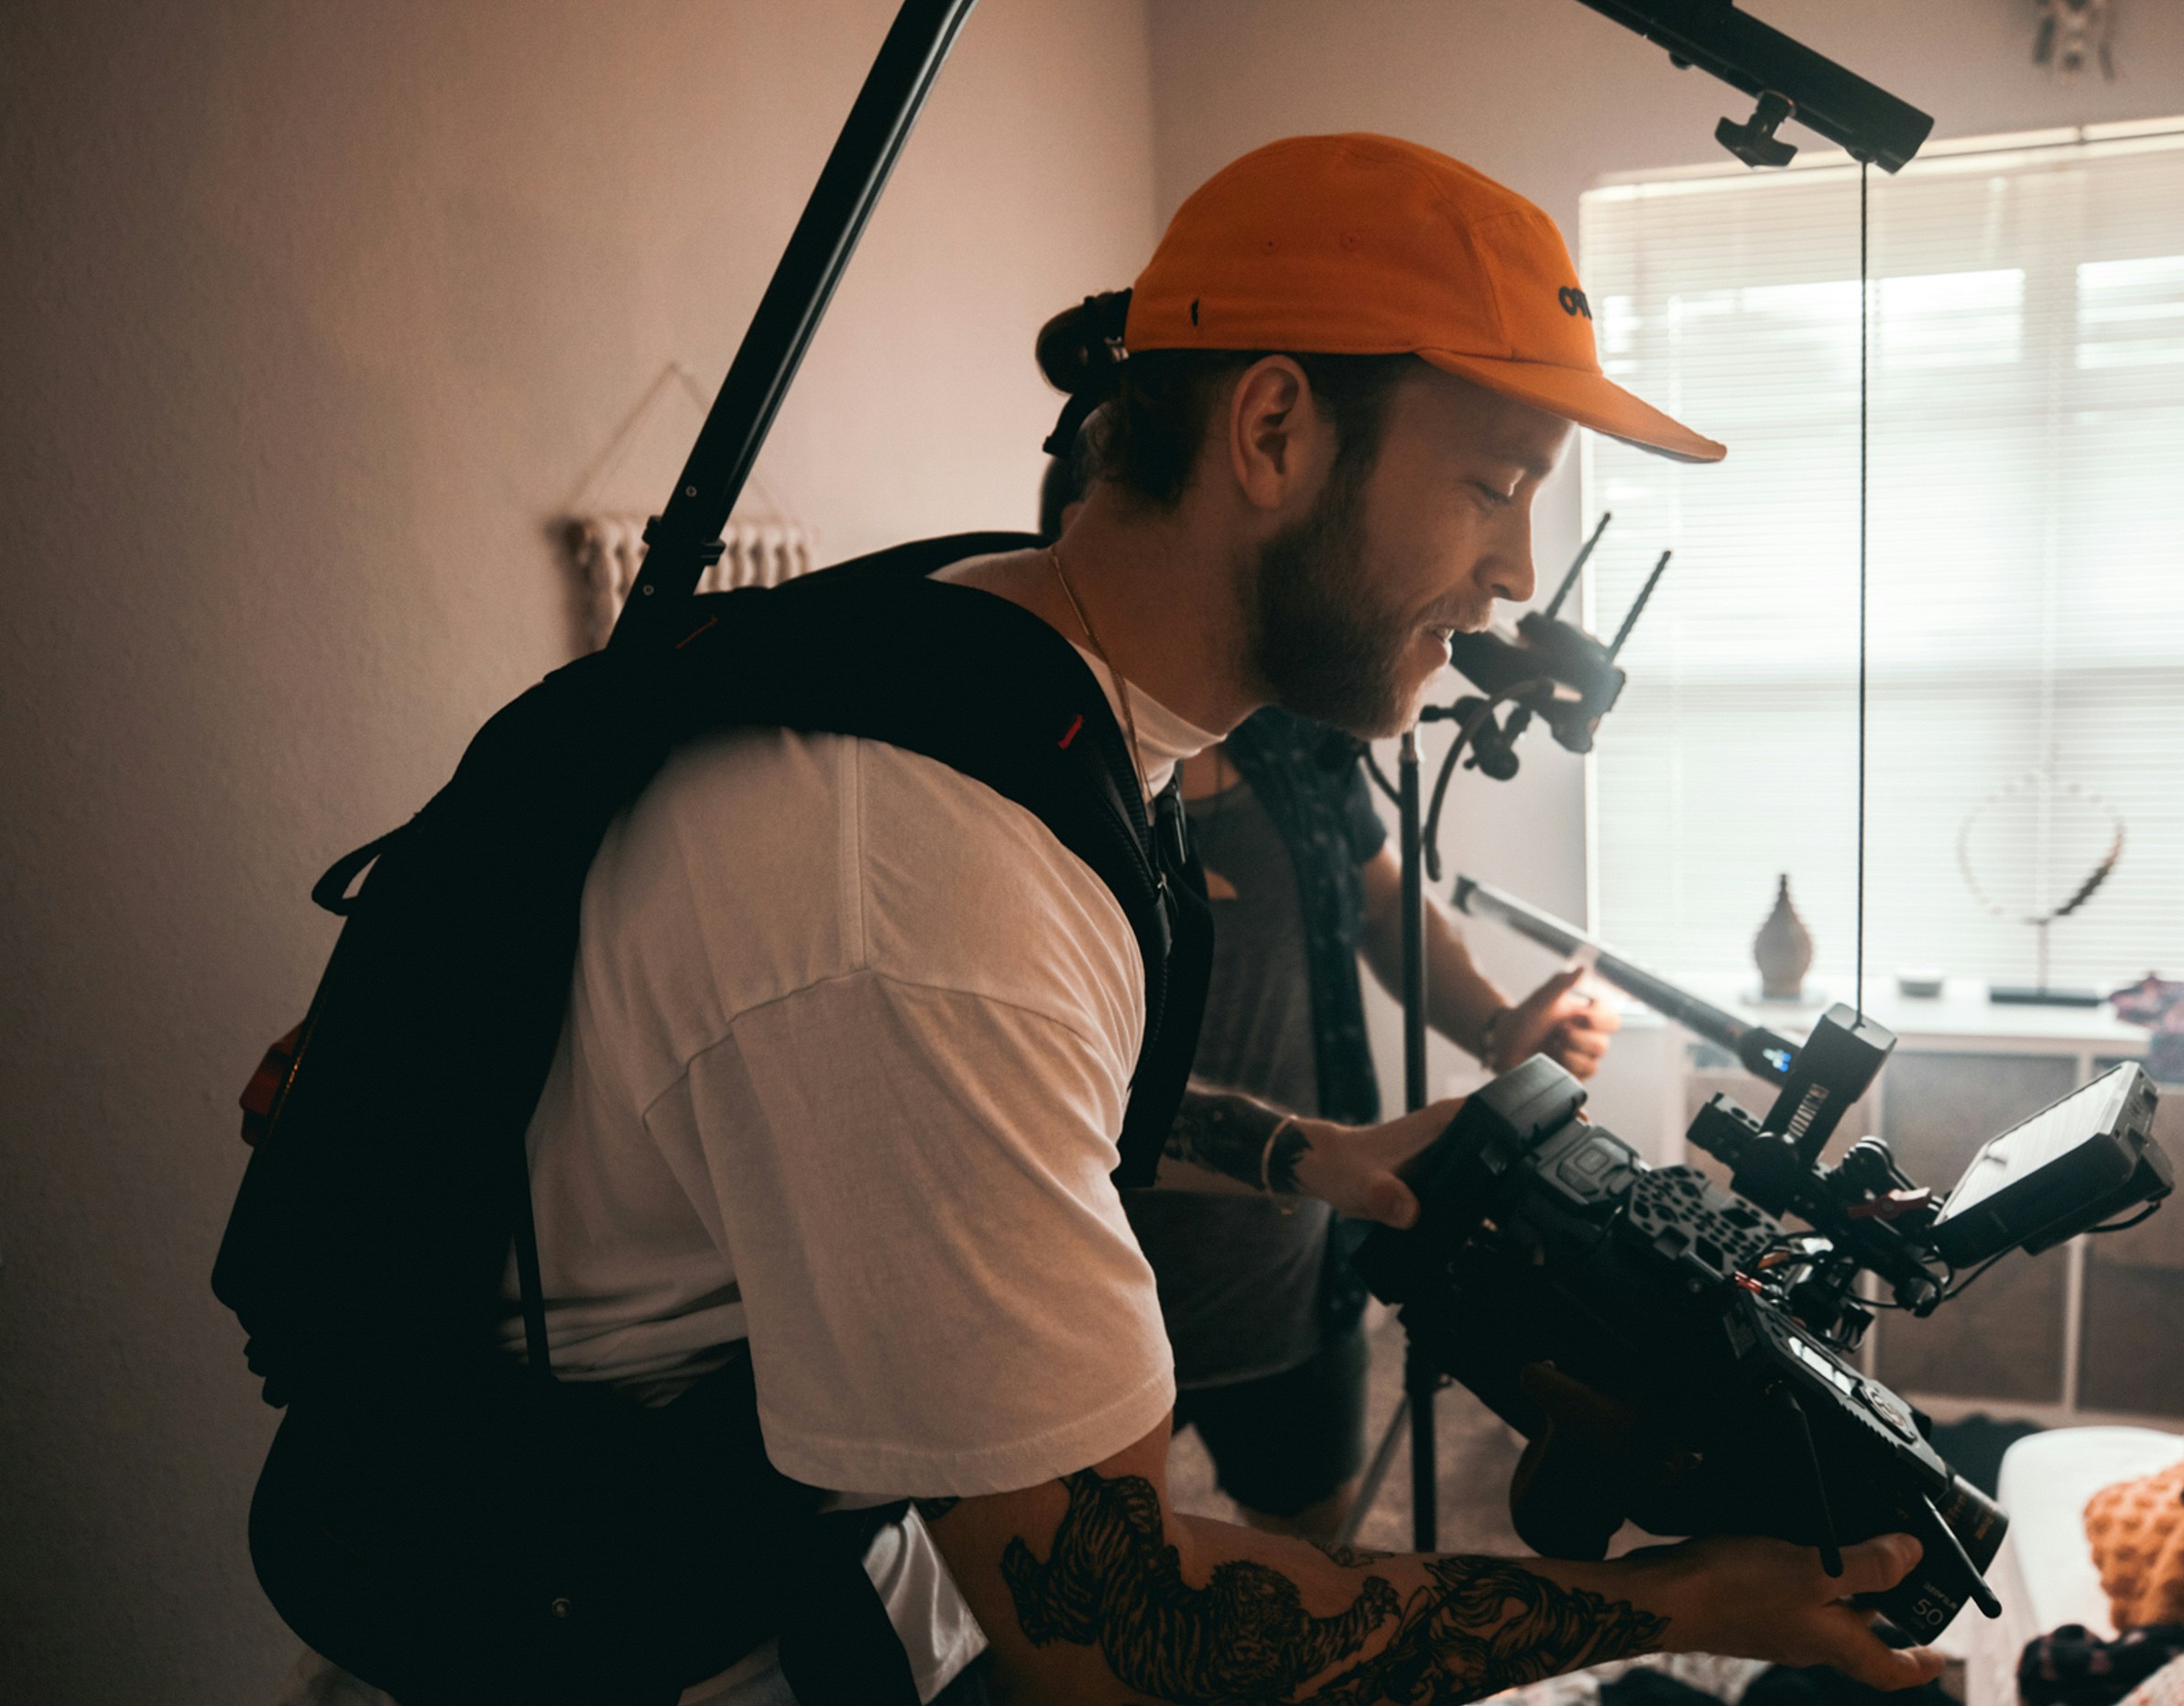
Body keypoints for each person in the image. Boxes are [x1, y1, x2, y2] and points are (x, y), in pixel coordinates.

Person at [504, 133, 1945, 1702]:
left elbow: (1061, 1091)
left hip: (838, 1546)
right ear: (1271, 429)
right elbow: (1118, 1631)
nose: (1517, 571)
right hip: (636, 1628)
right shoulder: (926, 872)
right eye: (1491, 483)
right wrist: (1662, 1598)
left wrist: (1300, 1154)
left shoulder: (1021, 677)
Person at [1043, 443, 1622, 1549]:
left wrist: (1501, 1024)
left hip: (1295, 1281)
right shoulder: (1035, 778)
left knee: (1306, 1560)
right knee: (1105, 1591)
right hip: (1089, 1301)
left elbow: (1373, 903)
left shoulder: (1290, 737)